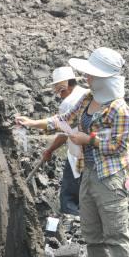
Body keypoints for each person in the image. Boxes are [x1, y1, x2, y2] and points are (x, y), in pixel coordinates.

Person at [15, 47, 129, 257]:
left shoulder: (120, 109)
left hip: (112, 176)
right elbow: (62, 120)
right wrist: (32, 123)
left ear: (106, 78)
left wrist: (89, 139)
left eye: (92, 75)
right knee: (92, 233)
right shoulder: (86, 101)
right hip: (89, 173)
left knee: (115, 234)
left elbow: (119, 143)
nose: (87, 79)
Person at [41, 66, 89, 215]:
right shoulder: (87, 94)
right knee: (86, 194)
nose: (59, 95)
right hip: (92, 155)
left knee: (68, 197)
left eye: (59, 90)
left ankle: (72, 225)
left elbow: (63, 133)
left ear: (65, 86)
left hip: (77, 155)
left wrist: (49, 150)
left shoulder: (68, 103)